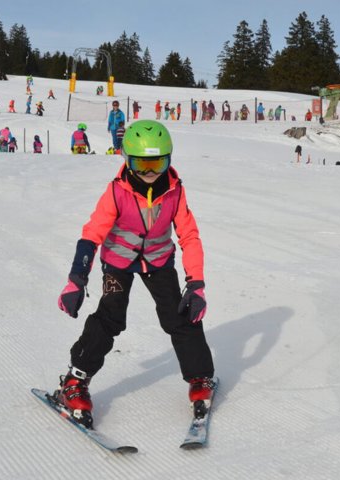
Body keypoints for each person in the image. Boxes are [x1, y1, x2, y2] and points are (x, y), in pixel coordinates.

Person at [55, 120, 214, 429]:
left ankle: (200, 376)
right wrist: (76, 279)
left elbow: (189, 236)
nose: (151, 170)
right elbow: (92, 234)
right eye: (142, 163)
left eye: (158, 162)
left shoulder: (175, 192)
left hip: (158, 260)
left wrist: (196, 284)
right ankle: (74, 382)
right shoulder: (117, 192)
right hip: (119, 260)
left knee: (180, 314)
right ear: (127, 159)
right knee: (110, 318)